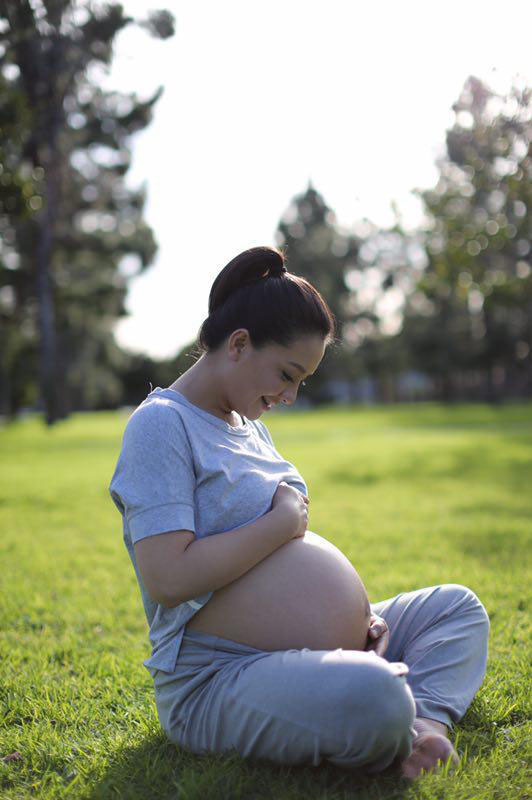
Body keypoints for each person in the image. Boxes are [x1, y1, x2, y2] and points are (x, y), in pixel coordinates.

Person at [109, 245, 490, 779]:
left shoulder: (249, 426)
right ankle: (391, 712)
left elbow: (285, 571)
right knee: (376, 696)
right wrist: (281, 524)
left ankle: (424, 726)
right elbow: (168, 577)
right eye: (287, 375)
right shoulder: (161, 426)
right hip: (217, 679)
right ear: (239, 344)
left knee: (456, 609)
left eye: (301, 381)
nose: (290, 395)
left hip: (307, 654)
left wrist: (359, 620)